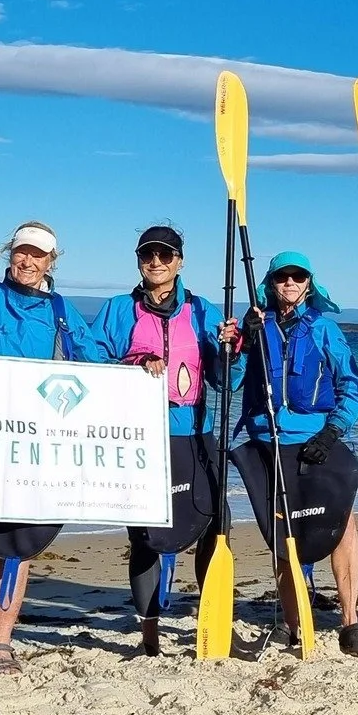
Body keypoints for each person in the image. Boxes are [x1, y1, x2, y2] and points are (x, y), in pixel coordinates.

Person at [0, 221, 109, 677]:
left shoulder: (63, 311)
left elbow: (95, 366)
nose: (27, 261)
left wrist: (139, 373)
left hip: (37, 448)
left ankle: (2, 644)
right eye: (21, 252)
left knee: (19, 547)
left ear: (52, 261)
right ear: (10, 253)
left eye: (38, 255)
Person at [91, 226, 239, 656]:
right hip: (139, 438)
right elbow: (93, 360)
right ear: (139, 261)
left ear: (180, 261)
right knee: (146, 534)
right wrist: (136, 360)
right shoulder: (119, 309)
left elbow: (225, 378)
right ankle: (150, 633)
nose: (156, 262)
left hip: (193, 433)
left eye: (165, 255)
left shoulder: (201, 310)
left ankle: (210, 616)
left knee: (218, 522)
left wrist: (233, 349)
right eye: (148, 255)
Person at [228, 251, 358, 657]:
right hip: (268, 442)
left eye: (297, 276)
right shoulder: (254, 327)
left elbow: (352, 385)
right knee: (284, 534)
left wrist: (332, 433)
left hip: (317, 440)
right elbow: (229, 381)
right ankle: (295, 625)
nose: (289, 283)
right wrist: (242, 345)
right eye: (282, 277)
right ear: (270, 283)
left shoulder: (324, 329)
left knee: (342, 525)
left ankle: (350, 621)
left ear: (309, 283)